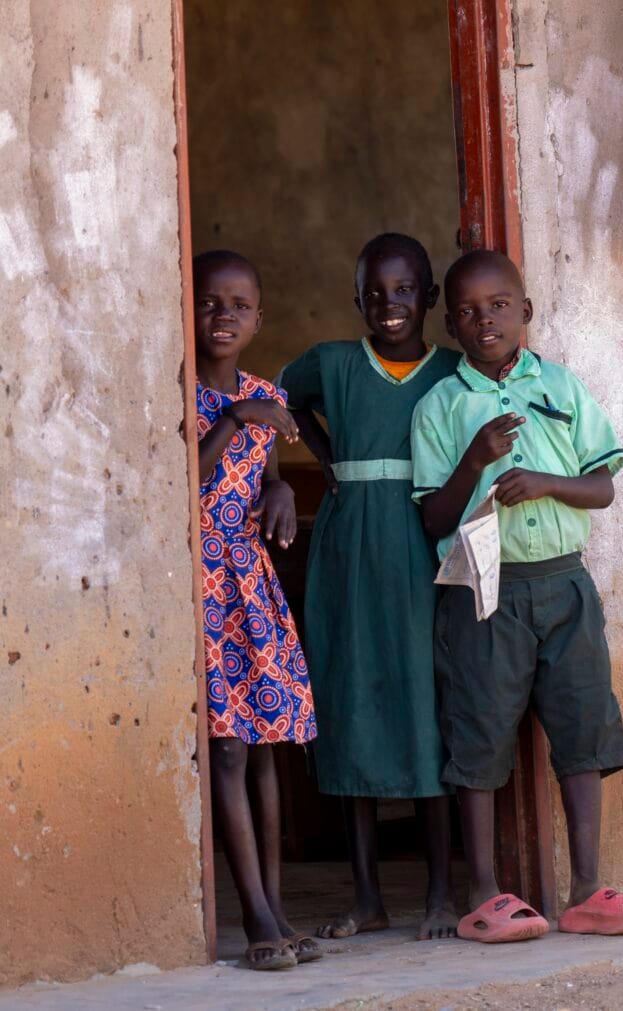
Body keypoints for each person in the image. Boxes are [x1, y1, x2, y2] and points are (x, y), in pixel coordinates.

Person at [410, 250, 623, 941]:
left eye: (497, 304)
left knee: (583, 726)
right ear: (450, 324)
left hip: (564, 582)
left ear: (525, 311)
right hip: (485, 588)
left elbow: (603, 486)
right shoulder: (441, 404)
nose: (483, 318)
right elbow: (432, 517)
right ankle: (486, 892)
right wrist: (476, 458)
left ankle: (586, 889)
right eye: (466, 310)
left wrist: (548, 483)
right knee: (480, 731)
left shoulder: (561, 385)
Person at [278, 234, 463, 942]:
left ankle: (442, 893)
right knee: (350, 701)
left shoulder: (450, 370)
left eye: (406, 290)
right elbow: (272, 401)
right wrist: (322, 456)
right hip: (351, 544)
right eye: (375, 293)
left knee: (426, 704)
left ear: (430, 298)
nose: (390, 305)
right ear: (358, 300)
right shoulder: (331, 363)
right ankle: (366, 897)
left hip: (421, 542)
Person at [193, 249, 321, 971]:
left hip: (251, 582)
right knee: (229, 747)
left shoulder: (265, 391)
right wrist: (238, 414)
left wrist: (279, 494)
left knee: (268, 744)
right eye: (210, 302)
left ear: (258, 318)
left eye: (239, 305)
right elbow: (191, 474)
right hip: (205, 585)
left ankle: (278, 906)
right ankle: (252, 916)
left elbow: (269, 476)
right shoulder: (187, 393)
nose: (224, 316)